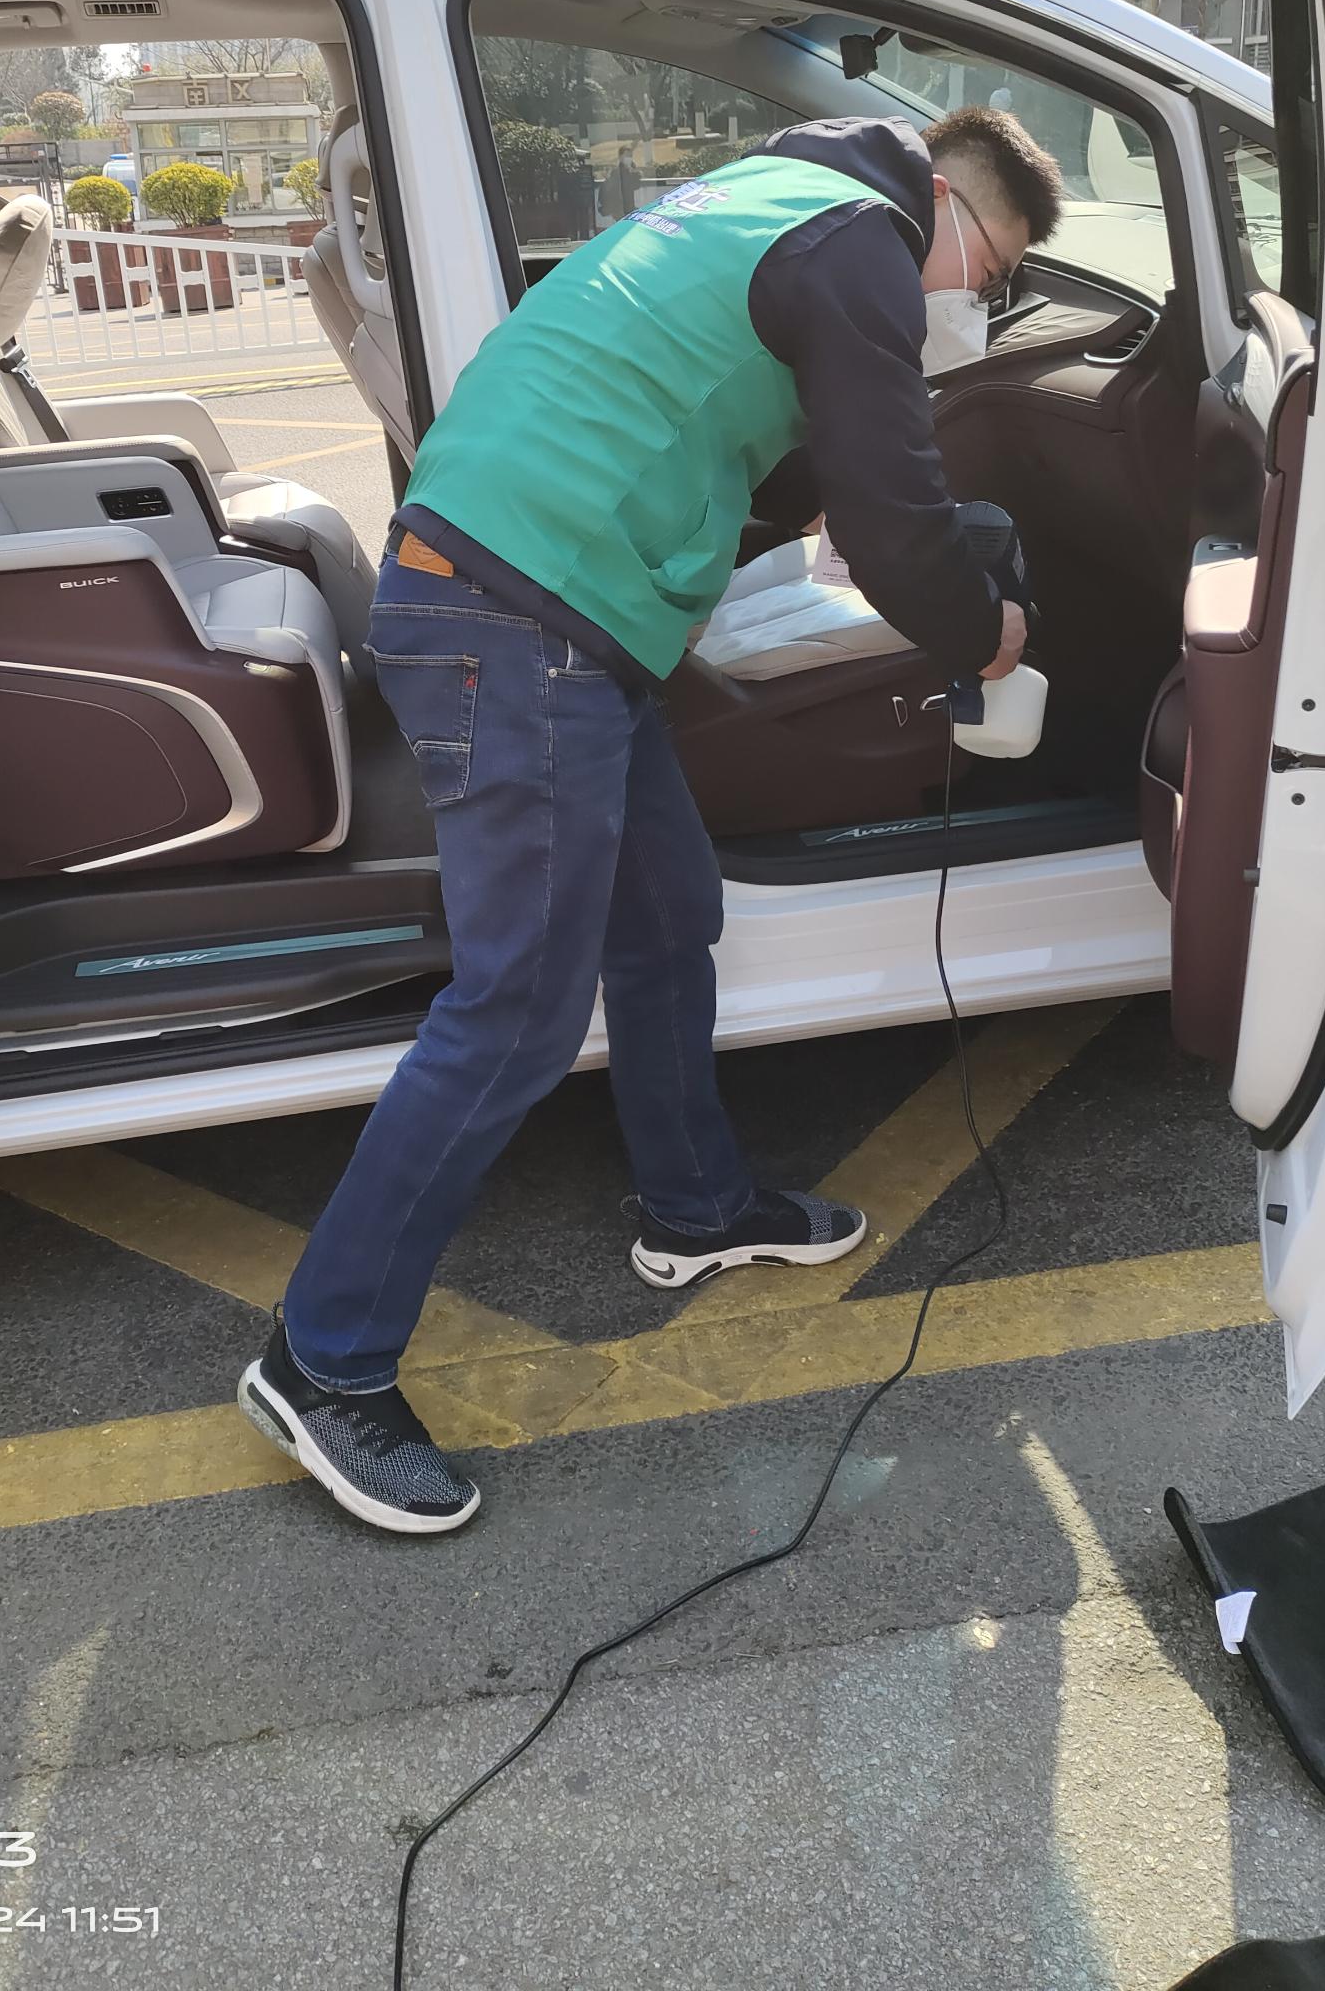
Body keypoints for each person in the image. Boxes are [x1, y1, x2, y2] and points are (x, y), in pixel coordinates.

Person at [242, 109, 1065, 1534]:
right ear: (945, 202)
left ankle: (696, 1207)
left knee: (670, 913)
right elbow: (887, 517)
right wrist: (978, 625)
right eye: (985, 267)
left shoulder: (764, 198)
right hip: (517, 616)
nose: (965, 299)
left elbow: (775, 458)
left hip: (549, 605)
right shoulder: (856, 242)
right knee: (515, 1011)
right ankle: (322, 1362)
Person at [603, 141, 641, 222]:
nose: (629, 158)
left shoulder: (631, 170)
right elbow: (614, 190)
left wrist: (635, 173)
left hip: (630, 208)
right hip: (619, 210)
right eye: (626, 156)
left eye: (630, 156)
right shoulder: (616, 172)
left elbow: (636, 186)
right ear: (620, 157)